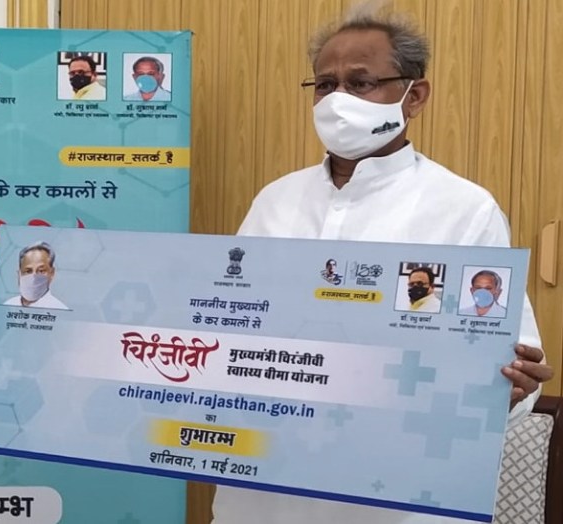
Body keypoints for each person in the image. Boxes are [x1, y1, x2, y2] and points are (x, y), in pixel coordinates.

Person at [211, 3, 554, 523]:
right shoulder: (275, 200)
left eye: (361, 83)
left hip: (399, 497)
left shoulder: (463, 209)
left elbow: (509, 365)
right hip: (269, 488)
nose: (338, 100)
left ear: (414, 95)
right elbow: (230, 319)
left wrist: (506, 384)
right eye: (326, 85)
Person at [2, 242, 68, 310]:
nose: (34, 278)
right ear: (19, 274)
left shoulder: (60, 310)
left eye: (41, 271)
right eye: (28, 271)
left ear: (51, 273)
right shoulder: (7, 306)